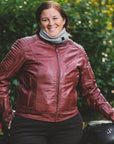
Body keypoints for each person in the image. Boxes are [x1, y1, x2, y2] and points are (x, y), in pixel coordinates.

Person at [0, 1, 114, 144]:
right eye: (45, 19)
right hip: (29, 125)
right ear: (39, 23)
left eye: (55, 18)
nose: (50, 23)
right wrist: (7, 116)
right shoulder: (24, 47)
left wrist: (111, 113)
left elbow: (90, 90)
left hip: (68, 126)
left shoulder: (77, 51)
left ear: (64, 20)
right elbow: (2, 79)